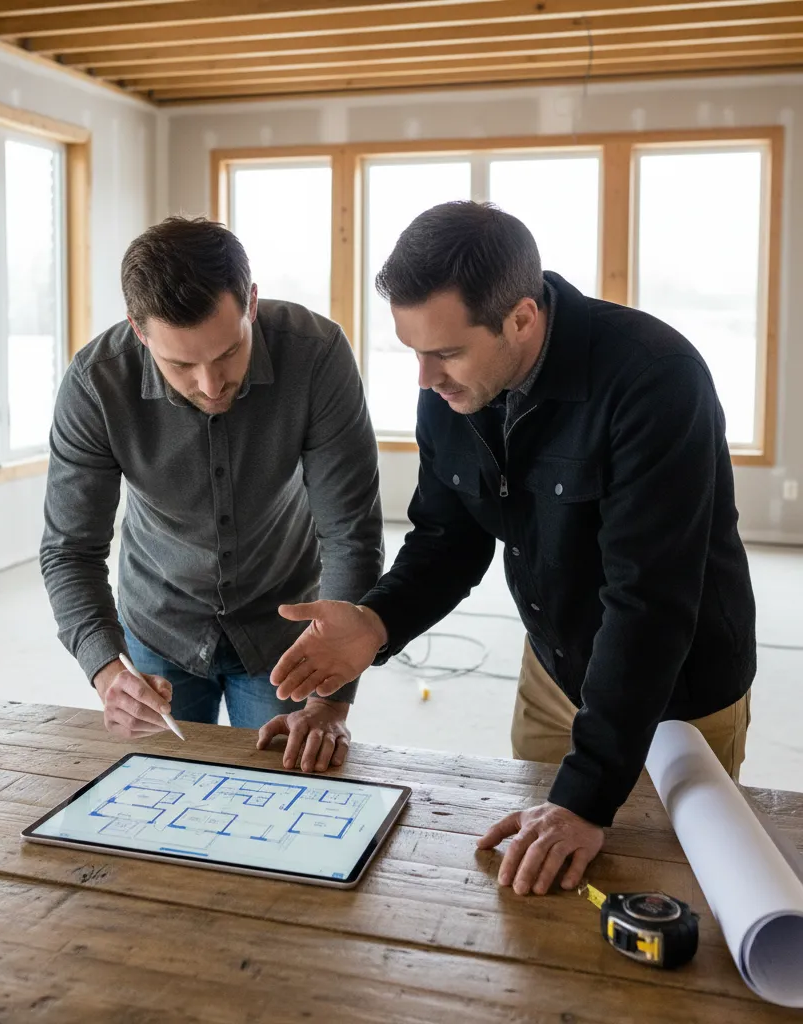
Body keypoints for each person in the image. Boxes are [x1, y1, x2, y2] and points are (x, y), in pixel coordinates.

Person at [270, 200, 756, 892]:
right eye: (412, 350)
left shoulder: (655, 379)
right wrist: (377, 623)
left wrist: (585, 799)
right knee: (543, 880)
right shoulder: (449, 391)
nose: (425, 378)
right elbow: (447, 538)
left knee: (673, 884)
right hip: (554, 671)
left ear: (522, 318)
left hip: (678, 686)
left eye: (445, 351)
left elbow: (648, 602)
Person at [40, 216, 383, 773]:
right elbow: (69, 550)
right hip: (158, 624)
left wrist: (330, 699)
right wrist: (106, 670)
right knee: (158, 807)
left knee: (283, 802)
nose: (210, 384)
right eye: (180, 364)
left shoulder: (317, 354)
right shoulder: (94, 384)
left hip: (287, 635)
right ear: (139, 329)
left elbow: (351, 534)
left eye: (227, 353)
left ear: (250, 302)